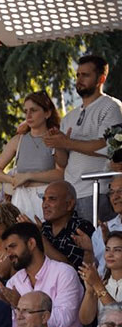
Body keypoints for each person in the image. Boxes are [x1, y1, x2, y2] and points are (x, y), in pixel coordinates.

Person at [51, 54, 122, 224]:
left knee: (98, 246)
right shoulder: (68, 117)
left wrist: (67, 143)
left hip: (97, 191)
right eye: (78, 75)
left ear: (101, 78)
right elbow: (61, 162)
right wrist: (58, 144)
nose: (79, 79)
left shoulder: (112, 107)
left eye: (86, 75)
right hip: (71, 196)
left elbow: (110, 148)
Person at [0, 92, 66, 221]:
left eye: (33, 110)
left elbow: (61, 173)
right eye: (26, 111)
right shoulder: (18, 140)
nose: (28, 115)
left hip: (47, 199)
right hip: (20, 199)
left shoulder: (55, 138)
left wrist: (29, 176)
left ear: (47, 113)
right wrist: (12, 180)